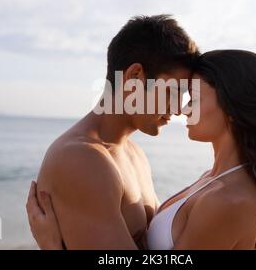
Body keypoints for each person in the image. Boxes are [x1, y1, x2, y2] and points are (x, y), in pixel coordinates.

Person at [27, 47, 256, 249]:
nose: (183, 109)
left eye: (194, 98)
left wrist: (53, 247)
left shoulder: (232, 199)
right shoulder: (212, 179)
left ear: (231, 106)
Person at [26, 14, 200, 249]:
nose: (178, 108)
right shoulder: (81, 159)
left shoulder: (135, 154)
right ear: (134, 77)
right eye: (172, 91)